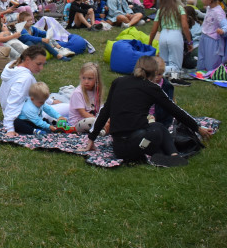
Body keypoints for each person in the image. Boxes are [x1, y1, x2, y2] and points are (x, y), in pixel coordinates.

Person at [81, 56, 213, 166]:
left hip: (119, 149)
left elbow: (105, 111)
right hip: (140, 144)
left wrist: (91, 138)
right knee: (158, 128)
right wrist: (197, 127)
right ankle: (173, 155)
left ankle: (160, 155)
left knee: (150, 133)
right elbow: (175, 110)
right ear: (154, 73)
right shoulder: (152, 88)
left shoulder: (118, 82)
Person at [0, 45, 47, 134]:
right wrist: (10, 129)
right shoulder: (25, 78)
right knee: (68, 107)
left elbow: (37, 94)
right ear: (27, 59)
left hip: (25, 110)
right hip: (25, 116)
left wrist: (51, 101)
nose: (41, 68)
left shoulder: (14, 69)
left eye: (43, 64)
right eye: (38, 64)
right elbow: (13, 102)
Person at [147, 0, 191, 75]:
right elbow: (185, 26)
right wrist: (190, 42)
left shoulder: (160, 10)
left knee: (165, 63)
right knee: (176, 67)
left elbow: (154, 30)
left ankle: (159, 73)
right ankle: (153, 71)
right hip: (175, 35)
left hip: (163, 36)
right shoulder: (180, 9)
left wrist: (150, 42)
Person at [196, 0, 227, 72]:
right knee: (202, 58)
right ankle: (201, 70)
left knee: (212, 66)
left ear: (210, 0)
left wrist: (222, 30)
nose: (201, 0)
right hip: (204, 37)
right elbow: (208, 18)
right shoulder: (209, 8)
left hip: (212, 40)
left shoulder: (218, 12)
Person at [68, 62, 104, 134]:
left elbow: (99, 108)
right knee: (91, 122)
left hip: (92, 119)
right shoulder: (78, 93)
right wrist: (98, 120)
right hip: (78, 123)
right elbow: (83, 113)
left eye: (90, 79)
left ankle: (103, 129)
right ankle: (101, 128)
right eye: (84, 78)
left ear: (96, 80)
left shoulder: (96, 91)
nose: (86, 81)